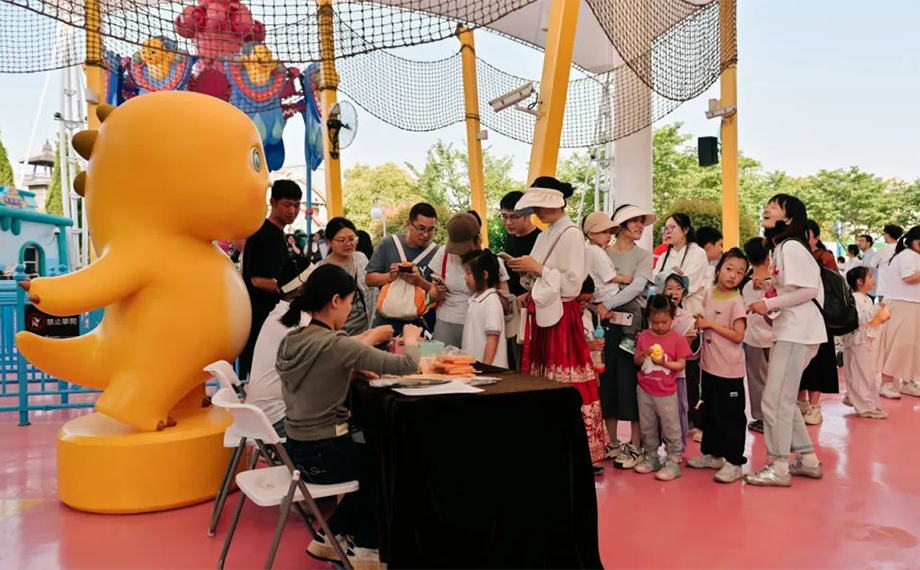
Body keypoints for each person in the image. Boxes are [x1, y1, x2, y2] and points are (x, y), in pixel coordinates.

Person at [276, 264, 422, 569]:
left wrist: (350, 369)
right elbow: (407, 365)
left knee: (370, 458)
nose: (349, 310)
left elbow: (318, 374)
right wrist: (411, 338)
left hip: (296, 452)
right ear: (335, 301)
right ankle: (366, 548)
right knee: (385, 465)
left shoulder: (291, 341)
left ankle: (330, 536)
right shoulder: (336, 345)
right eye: (349, 302)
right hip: (327, 452)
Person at [508, 177, 609, 472]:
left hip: (562, 317)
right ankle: (554, 445)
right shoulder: (549, 232)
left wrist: (537, 269)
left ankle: (577, 449)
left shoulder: (571, 233)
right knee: (551, 379)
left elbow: (573, 284)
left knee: (567, 380)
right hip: (546, 314)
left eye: (538, 206)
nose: (536, 212)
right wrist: (529, 274)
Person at [745, 194, 826, 487]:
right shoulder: (782, 247)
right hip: (792, 331)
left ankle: (779, 466)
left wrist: (768, 303)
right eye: (767, 205)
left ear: (789, 218)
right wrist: (770, 287)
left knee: (774, 400)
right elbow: (795, 288)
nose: (767, 209)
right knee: (784, 400)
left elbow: (808, 291)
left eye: (776, 207)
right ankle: (808, 460)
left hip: (797, 332)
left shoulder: (791, 246)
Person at [247, 298, 394, 437]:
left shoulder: (280, 315)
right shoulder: (298, 324)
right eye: (349, 302)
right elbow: (335, 356)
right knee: (365, 425)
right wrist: (372, 338)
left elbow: (333, 347)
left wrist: (366, 335)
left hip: (261, 416)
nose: (349, 309)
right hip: (278, 419)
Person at [596, 204, 656, 470]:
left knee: (631, 382)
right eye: (634, 220)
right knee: (608, 380)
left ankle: (635, 444)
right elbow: (595, 287)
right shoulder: (602, 254)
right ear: (619, 224)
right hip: (606, 326)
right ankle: (611, 442)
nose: (640, 225)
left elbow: (637, 287)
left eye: (642, 221)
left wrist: (607, 303)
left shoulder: (644, 255)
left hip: (633, 327)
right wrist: (601, 306)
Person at [688, 248, 749, 484]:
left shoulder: (736, 301)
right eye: (729, 268)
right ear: (719, 269)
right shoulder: (709, 294)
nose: (733, 275)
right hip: (709, 368)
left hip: (729, 371)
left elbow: (738, 335)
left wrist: (711, 325)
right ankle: (713, 455)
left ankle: (734, 462)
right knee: (711, 413)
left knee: (730, 417)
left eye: (740, 272)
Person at [240, 179, 302, 379]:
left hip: (270, 317)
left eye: (297, 205)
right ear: (273, 202)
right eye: (287, 205)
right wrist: (293, 291)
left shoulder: (277, 234)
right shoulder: (263, 234)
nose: (292, 211)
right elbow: (258, 280)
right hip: (260, 317)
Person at [633, 295, 692, 481]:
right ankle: (651, 456)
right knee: (647, 425)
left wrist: (664, 363)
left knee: (671, 426)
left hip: (666, 392)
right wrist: (643, 354)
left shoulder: (677, 339)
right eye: (654, 322)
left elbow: (681, 364)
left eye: (664, 322)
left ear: (672, 317)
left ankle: (673, 459)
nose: (659, 326)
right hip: (644, 390)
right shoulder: (644, 336)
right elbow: (636, 361)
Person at [428, 213, 509, 348]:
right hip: (446, 322)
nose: (459, 252)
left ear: (476, 238)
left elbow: (506, 301)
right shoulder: (443, 254)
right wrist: (438, 291)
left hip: (480, 324)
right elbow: (432, 294)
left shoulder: (491, 261)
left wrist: (485, 289)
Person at [365, 203, 439, 334]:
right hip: (384, 323)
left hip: (418, 325)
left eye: (431, 230)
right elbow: (369, 279)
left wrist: (418, 281)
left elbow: (438, 293)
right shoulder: (389, 244)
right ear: (408, 224)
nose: (426, 234)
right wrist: (390, 276)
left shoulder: (436, 252)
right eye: (421, 228)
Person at [797, 219, 840, 425]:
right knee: (799, 361)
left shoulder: (825, 258)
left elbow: (834, 288)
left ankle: (814, 406)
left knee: (819, 361)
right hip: (799, 316)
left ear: (816, 238)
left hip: (821, 317)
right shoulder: (795, 255)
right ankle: (801, 402)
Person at [876, 225, 920, 398]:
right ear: (915, 242)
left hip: (910, 305)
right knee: (897, 345)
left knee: (911, 345)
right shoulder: (908, 255)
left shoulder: (912, 255)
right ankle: (886, 383)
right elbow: (908, 277)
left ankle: (907, 381)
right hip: (902, 306)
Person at [500, 190, 542, 369]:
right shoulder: (510, 237)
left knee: (526, 363)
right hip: (511, 308)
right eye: (504, 217)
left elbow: (546, 278)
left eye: (514, 217)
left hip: (531, 311)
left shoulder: (540, 239)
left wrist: (527, 296)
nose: (508, 222)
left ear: (528, 214)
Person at [842, 266, 889, 418]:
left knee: (866, 373)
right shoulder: (854, 299)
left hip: (866, 340)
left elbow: (870, 321)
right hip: (857, 341)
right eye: (869, 276)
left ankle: (854, 398)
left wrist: (880, 318)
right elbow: (860, 319)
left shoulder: (867, 298)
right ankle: (864, 406)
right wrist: (877, 309)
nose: (873, 279)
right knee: (860, 373)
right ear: (859, 281)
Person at [317, 217, 374, 335]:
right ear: (329, 242)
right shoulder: (322, 268)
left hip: (366, 329)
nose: (348, 244)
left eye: (352, 239)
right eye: (342, 240)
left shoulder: (360, 258)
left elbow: (372, 293)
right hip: (337, 334)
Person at [741, 237, 773, 433]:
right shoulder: (775, 283)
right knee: (775, 378)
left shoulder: (746, 285)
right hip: (775, 336)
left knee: (756, 379)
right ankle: (774, 415)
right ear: (769, 257)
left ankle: (761, 418)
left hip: (753, 338)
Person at [663, 273, 695, 450]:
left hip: (677, 374)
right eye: (669, 288)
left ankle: (677, 449)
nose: (674, 292)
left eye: (678, 288)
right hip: (657, 374)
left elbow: (686, 348)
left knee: (678, 410)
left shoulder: (687, 317)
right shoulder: (653, 314)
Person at [653, 213, 709, 315]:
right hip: (665, 314)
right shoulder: (663, 257)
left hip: (691, 313)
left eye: (672, 227)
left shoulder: (697, 253)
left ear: (685, 230)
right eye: (666, 228)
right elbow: (654, 283)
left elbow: (688, 285)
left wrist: (665, 280)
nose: (667, 231)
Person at [460, 250, 508, 367]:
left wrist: (486, 367)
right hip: (475, 367)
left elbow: (493, 339)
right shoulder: (475, 299)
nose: (465, 277)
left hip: (490, 370)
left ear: (484, 275)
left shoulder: (491, 302)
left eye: (469, 273)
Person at [582, 212, 630, 304]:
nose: (609, 236)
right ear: (591, 234)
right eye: (604, 232)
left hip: (597, 293)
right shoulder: (597, 252)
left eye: (610, 232)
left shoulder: (588, 249)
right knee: (634, 307)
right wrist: (625, 279)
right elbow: (610, 277)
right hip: (608, 295)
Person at [857, 233, 876, 298]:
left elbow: (865, 272)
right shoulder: (867, 254)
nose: (859, 243)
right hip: (868, 288)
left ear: (868, 243)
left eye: (861, 241)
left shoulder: (870, 255)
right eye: (858, 241)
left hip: (868, 289)